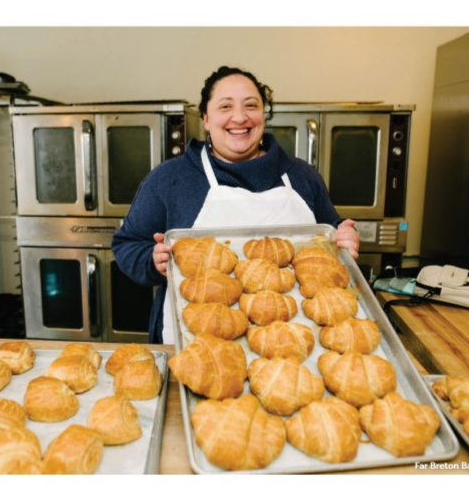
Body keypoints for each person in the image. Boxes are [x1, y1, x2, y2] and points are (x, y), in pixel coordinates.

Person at [111, 65, 360, 344]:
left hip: (298, 339)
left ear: (263, 115)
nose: (240, 117)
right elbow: (127, 244)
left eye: (251, 106)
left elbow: (331, 236)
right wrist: (151, 260)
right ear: (206, 118)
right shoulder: (170, 180)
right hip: (197, 340)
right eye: (225, 106)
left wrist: (345, 238)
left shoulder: (302, 177)